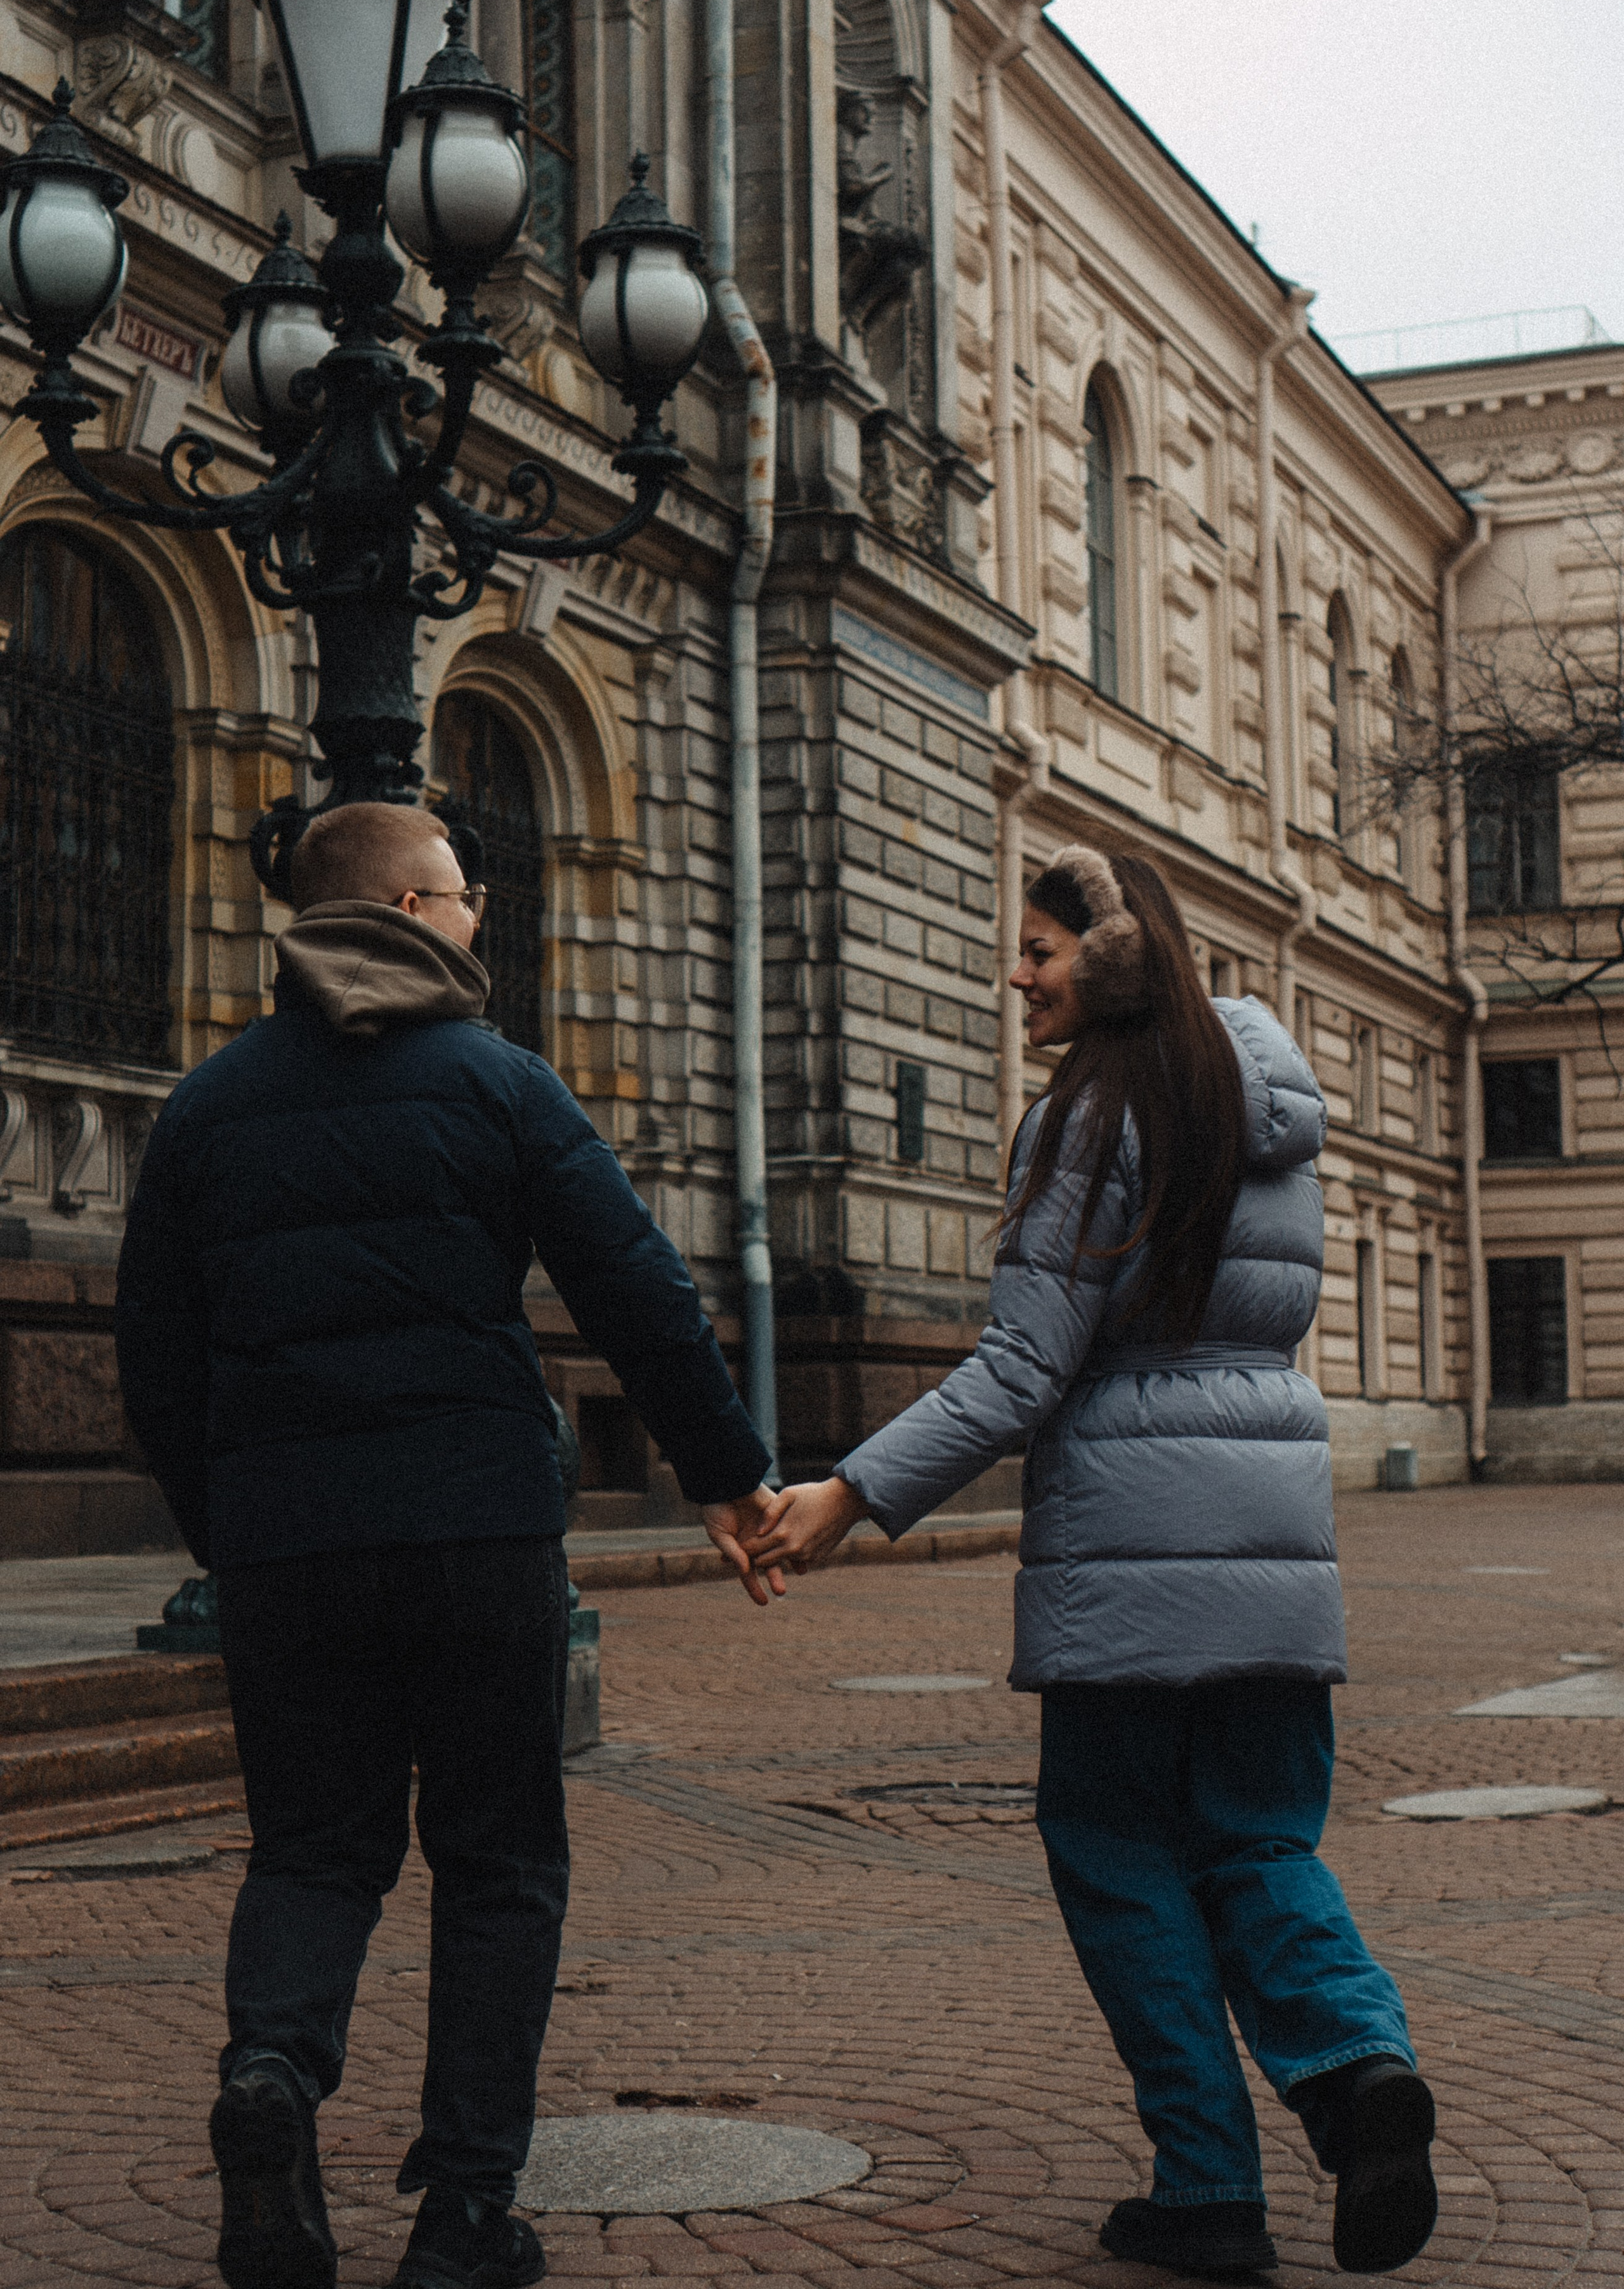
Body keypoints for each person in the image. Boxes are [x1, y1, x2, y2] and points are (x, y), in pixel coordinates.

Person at [115, 803, 783, 2289]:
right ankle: (465, 2213)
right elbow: (637, 1290)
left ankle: (273, 2077)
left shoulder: (209, 1108)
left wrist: (233, 1526)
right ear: (419, 906)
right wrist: (728, 1477)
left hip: (288, 1546)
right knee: (497, 1866)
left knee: (311, 1848)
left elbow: (152, 1357)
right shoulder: (498, 1083)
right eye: (471, 898)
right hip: (477, 1528)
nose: (484, 917)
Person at [751, 845, 1437, 2281]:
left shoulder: (1087, 1118)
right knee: (1257, 1838)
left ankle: (1206, 2188)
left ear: (1112, 956)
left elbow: (1019, 1372)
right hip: (1271, 1538)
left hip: (1128, 1553)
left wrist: (849, 1494)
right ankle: (1357, 2066)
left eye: (1040, 948)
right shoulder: (1265, 1110)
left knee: (1119, 1854)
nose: (1018, 974)